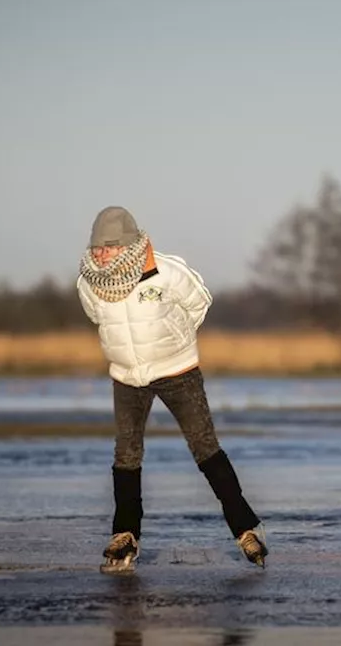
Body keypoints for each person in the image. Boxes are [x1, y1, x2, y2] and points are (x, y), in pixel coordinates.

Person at [76, 205, 268, 573]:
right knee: (126, 454)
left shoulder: (166, 269)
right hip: (127, 376)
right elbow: (97, 317)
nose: (101, 254)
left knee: (205, 448)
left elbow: (199, 302)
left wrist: (175, 341)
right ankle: (125, 534)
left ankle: (245, 528)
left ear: (130, 244)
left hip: (178, 370)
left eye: (110, 246)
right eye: (97, 247)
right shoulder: (88, 281)